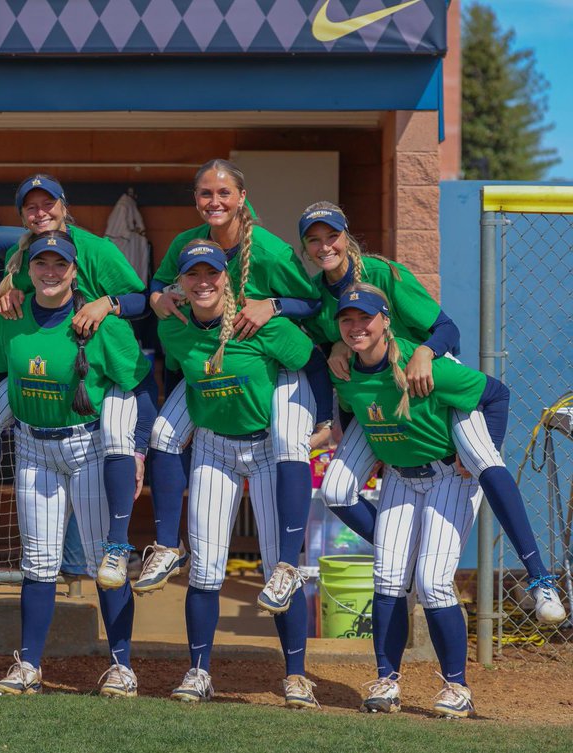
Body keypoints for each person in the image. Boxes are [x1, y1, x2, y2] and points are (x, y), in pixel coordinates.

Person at [300, 203, 566, 625]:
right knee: (336, 490)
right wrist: (333, 345)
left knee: (482, 461)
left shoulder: (383, 274)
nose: (323, 246)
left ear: (346, 235)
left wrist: (424, 351)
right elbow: (328, 340)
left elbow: (448, 330)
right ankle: (401, 557)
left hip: (433, 380)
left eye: (330, 235)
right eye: (313, 239)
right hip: (381, 395)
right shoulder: (317, 292)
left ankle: (539, 577)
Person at [142, 160, 323, 614]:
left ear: (242, 197)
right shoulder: (188, 242)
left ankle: (284, 563)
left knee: (287, 441)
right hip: (210, 358)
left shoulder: (266, 249)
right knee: (164, 432)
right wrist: (157, 296)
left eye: (224, 193)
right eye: (205, 193)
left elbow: (314, 303)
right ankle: (166, 546)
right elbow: (162, 282)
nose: (214, 202)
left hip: (272, 355)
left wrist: (274, 305)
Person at [325, 284, 515, 718]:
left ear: (385, 320)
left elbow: (496, 393)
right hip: (399, 479)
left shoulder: (422, 365)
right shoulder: (347, 367)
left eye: (365, 318)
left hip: (450, 477)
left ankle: (457, 687)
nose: (356, 326)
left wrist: (489, 452)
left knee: (431, 582)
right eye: (347, 320)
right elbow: (357, 409)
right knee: (388, 577)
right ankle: (386, 679)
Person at [0, 231, 154, 698]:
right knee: (38, 565)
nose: (51, 271)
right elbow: (1, 377)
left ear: (75, 271)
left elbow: (140, 390)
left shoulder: (103, 325)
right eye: (42, 263)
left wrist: (138, 450)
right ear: (30, 268)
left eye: (60, 264)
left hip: (88, 448)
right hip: (33, 448)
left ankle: (122, 667)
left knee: (107, 564)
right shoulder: (12, 318)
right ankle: (29, 667)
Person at [157, 241, 324, 709]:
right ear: (182, 283)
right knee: (206, 570)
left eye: (212, 273)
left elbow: (313, 364)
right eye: (193, 275)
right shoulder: (175, 329)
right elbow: (176, 376)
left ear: (228, 278)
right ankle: (198, 672)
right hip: (214, 447)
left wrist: (326, 420)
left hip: (269, 447)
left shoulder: (261, 325)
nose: (203, 281)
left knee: (278, 571)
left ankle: (295, 675)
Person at [0, 175, 151, 587]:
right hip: (45, 365)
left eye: (48, 204)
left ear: (64, 205)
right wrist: (7, 292)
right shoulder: (18, 252)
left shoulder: (95, 248)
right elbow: (24, 296)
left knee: (114, 440)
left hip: (100, 365)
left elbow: (141, 299)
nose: (40, 213)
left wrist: (106, 303)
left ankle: (114, 549)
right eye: (31, 206)